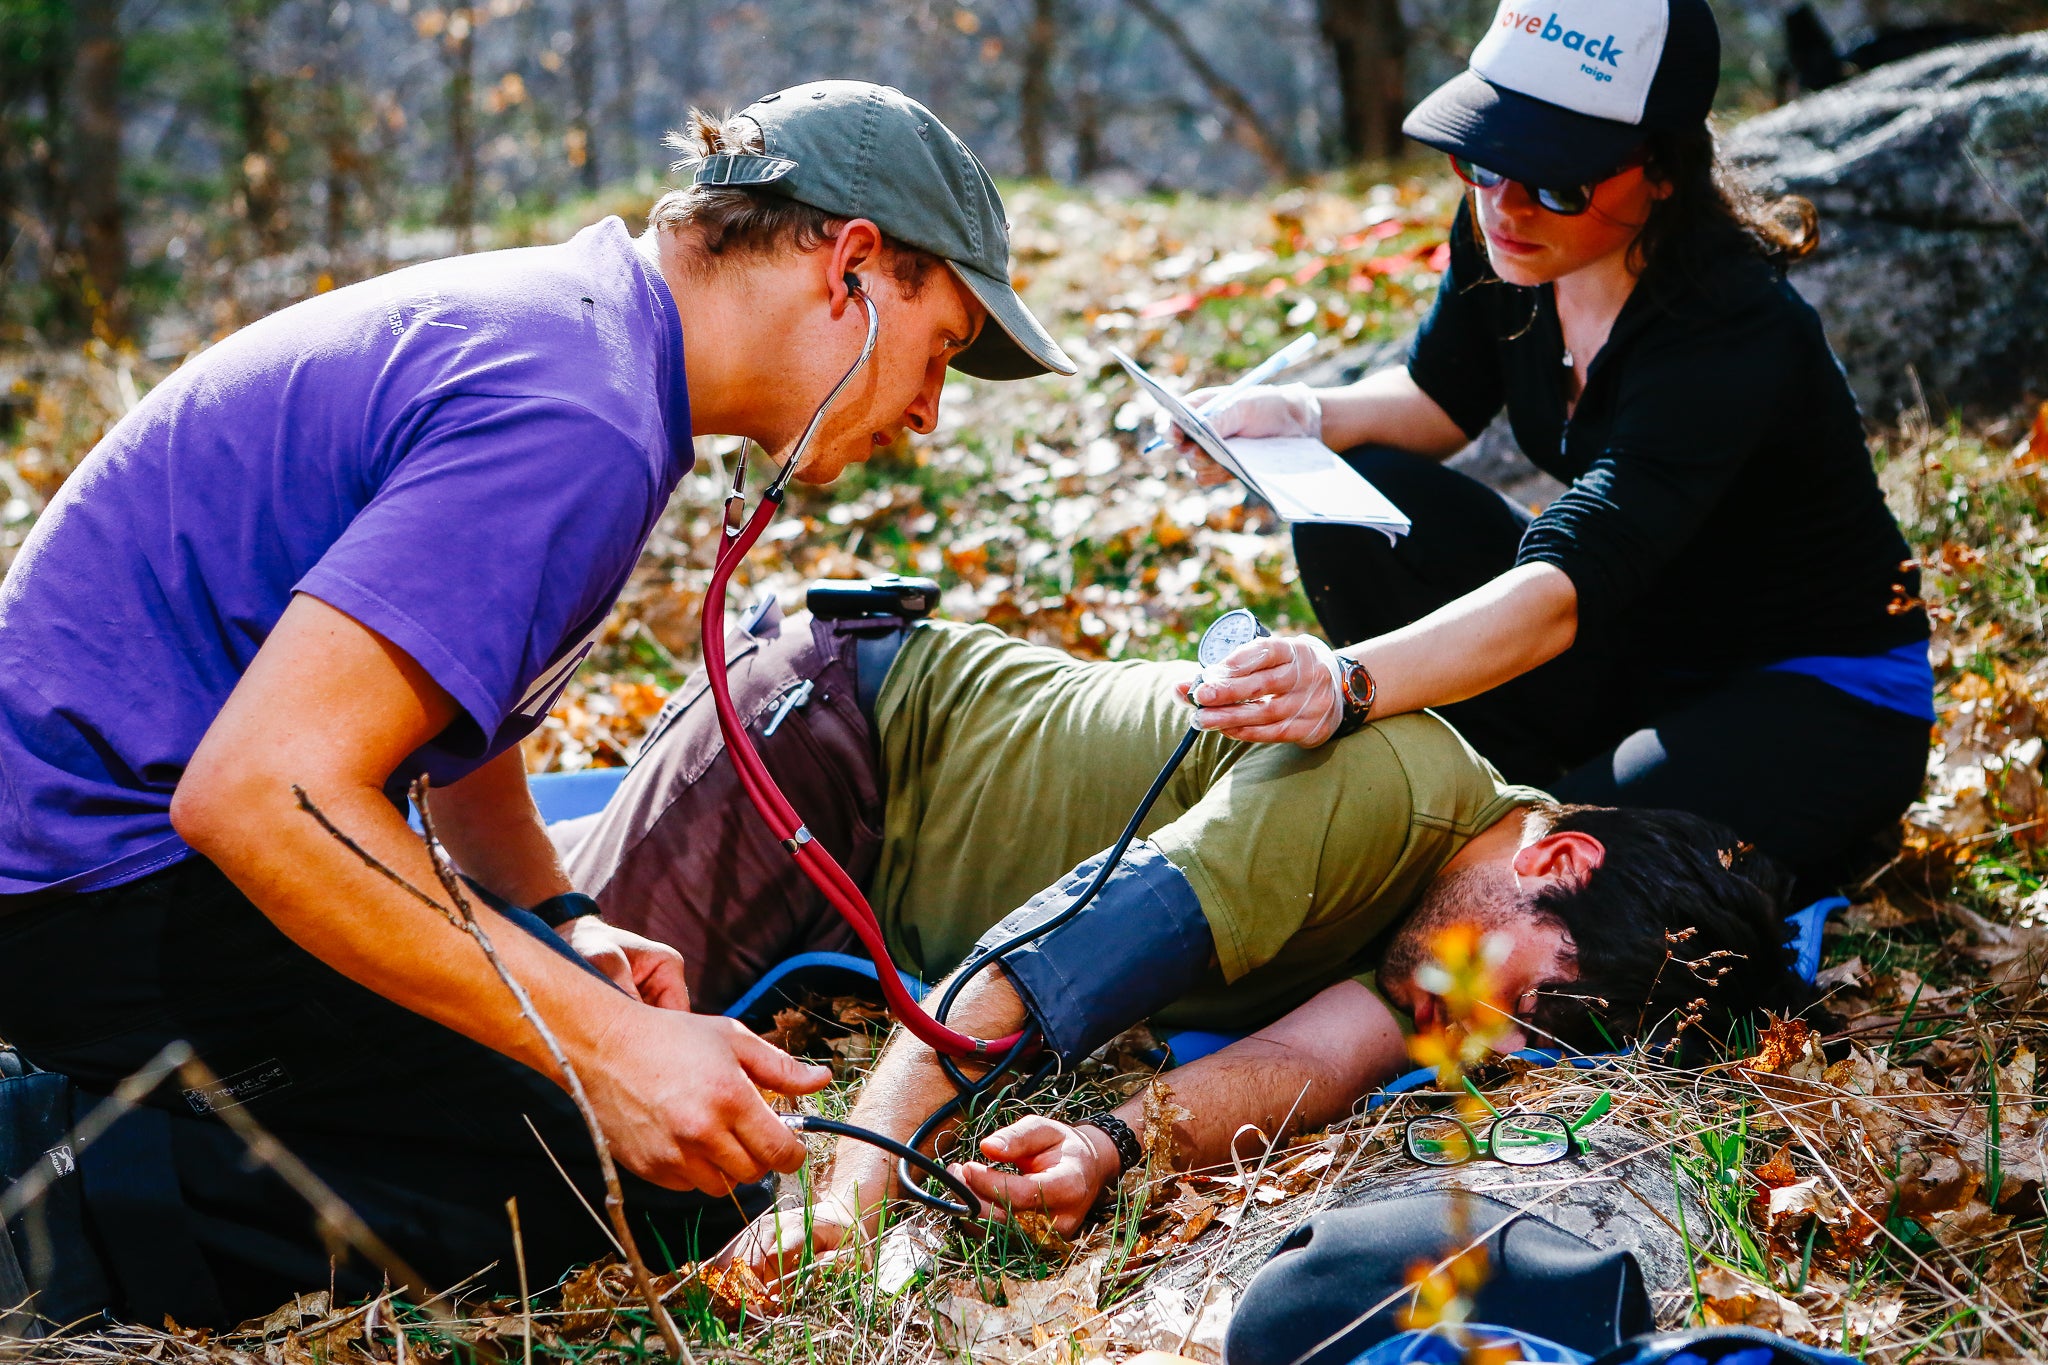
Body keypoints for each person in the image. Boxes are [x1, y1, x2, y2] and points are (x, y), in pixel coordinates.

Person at [0, 82, 1075, 1325]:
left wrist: (558, 920)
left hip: (100, 853)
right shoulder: (576, 418)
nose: (929, 412)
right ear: (847, 265)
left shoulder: (595, 346)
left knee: (619, 1112)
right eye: (936, 349)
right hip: (84, 887)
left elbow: (443, 720)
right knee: (614, 1183)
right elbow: (261, 791)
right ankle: (56, 1163)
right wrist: (608, 1053)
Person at [553, 601, 1807, 1260]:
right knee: (535, 1097)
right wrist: (856, 1186)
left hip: (868, 887)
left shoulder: (1444, 954)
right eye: (1526, 1001)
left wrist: (1108, 1147)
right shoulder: (1385, 788)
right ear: (1560, 858)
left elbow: (1316, 1065)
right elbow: (1038, 962)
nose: (1485, 1041)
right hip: (836, 744)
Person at [1171, 0, 1931, 894]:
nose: (1506, 203)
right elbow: (1436, 397)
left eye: (1557, 179)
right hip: (1639, 638)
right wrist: (1298, 413)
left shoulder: (1732, 329)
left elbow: (1563, 591)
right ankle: (1539, 784)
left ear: (1661, 173)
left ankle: (1745, 823)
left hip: (1808, 692)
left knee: (1536, 871)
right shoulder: (1510, 236)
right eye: (1482, 158)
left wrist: (1344, 682)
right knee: (1355, 510)